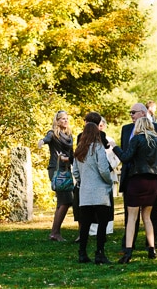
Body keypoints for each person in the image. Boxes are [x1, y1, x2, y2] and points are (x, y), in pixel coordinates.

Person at [119, 103, 157, 253]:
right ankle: (129, 243)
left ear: (142, 113)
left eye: (133, 112)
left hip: (148, 176)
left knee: (150, 213)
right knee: (131, 213)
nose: (131, 115)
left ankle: (151, 243)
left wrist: (153, 168)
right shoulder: (126, 129)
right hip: (130, 175)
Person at [113, 116, 157, 263]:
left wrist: (114, 147)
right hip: (152, 182)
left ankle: (128, 251)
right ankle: (152, 248)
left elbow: (126, 157)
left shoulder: (136, 139)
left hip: (137, 181)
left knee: (132, 217)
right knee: (147, 217)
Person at [72, 119, 114, 264]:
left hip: (85, 192)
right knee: (102, 224)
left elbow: (75, 172)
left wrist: (82, 182)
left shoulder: (79, 150)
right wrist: (109, 181)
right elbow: (103, 169)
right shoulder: (98, 148)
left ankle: (82, 253)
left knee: (85, 224)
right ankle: (100, 253)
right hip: (100, 190)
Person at [38, 110, 74, 242]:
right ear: (57, 121)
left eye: (66, 118)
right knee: (66, 201)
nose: (65, 121)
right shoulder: (52, 134)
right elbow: (47, 139)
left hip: (67, 169)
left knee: (62, 201)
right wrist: (42, 141)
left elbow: (72, 153)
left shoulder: (70, 135)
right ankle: (55, 232)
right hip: (56, 169)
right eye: (62, 119)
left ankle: (55, 232)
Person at [89, 116, 118, 236]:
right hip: (94, 175)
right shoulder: (90, 140)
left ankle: (108, 228)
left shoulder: (109, 140)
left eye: (102, 125)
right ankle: (93, 229)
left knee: (108, 203)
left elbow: (116, 157)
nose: (100, 127)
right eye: (98, 125)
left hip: (108, 173)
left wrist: (110, 167)